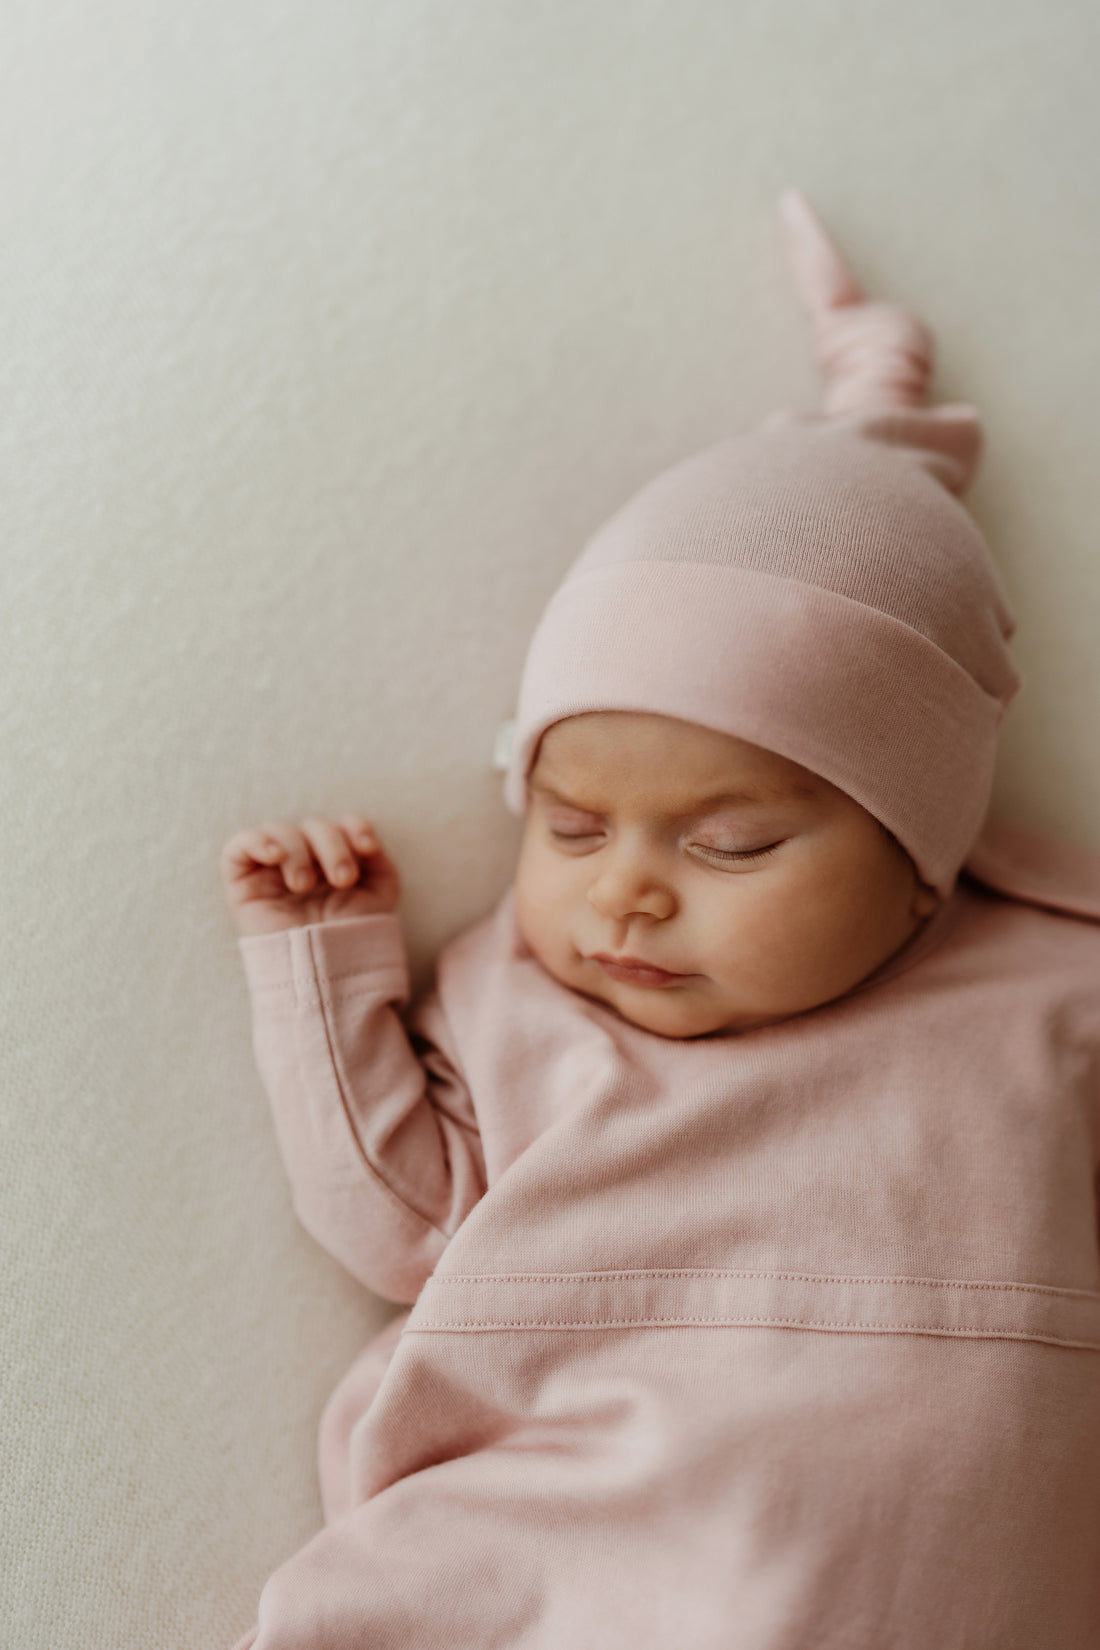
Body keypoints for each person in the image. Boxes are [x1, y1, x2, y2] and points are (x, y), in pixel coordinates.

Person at [219, 191, 1100, 1649]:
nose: (623, 887)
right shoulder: (526, 997)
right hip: (558, 1550)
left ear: (920, 851)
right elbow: (396, 1218)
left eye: (730, 839)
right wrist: (323, 960)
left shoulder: (1053, 984)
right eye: (567, 826)